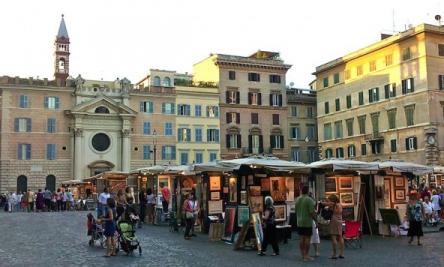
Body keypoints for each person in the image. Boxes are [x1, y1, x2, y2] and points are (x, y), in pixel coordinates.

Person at [295, 185, 316, 262]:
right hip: (307, 222)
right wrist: (316, 219)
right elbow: (311, 213)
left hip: (299, 222)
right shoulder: (309, 200)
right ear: (307, 191)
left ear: (301, 191)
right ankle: (306, 255)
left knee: (301, 238)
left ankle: (302, 254)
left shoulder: (297, 199)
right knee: (307, 238)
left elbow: (295, 211)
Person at [324, 194, 344, 260]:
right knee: (340, 236)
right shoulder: (339, 204)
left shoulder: (333, 204)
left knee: (333, 237)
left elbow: (324, 204)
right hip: (340, 220)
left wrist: (324, 202)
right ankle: (341, 253)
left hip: (334, 220)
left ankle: (334, 254)